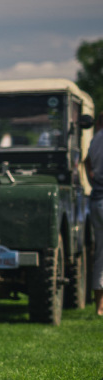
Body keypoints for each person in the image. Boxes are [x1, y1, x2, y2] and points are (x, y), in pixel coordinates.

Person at [87, 127, 103, 315]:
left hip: (97, 199)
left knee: (100, 254)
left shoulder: (96, 138)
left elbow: (86, 162)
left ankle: (99, 306)